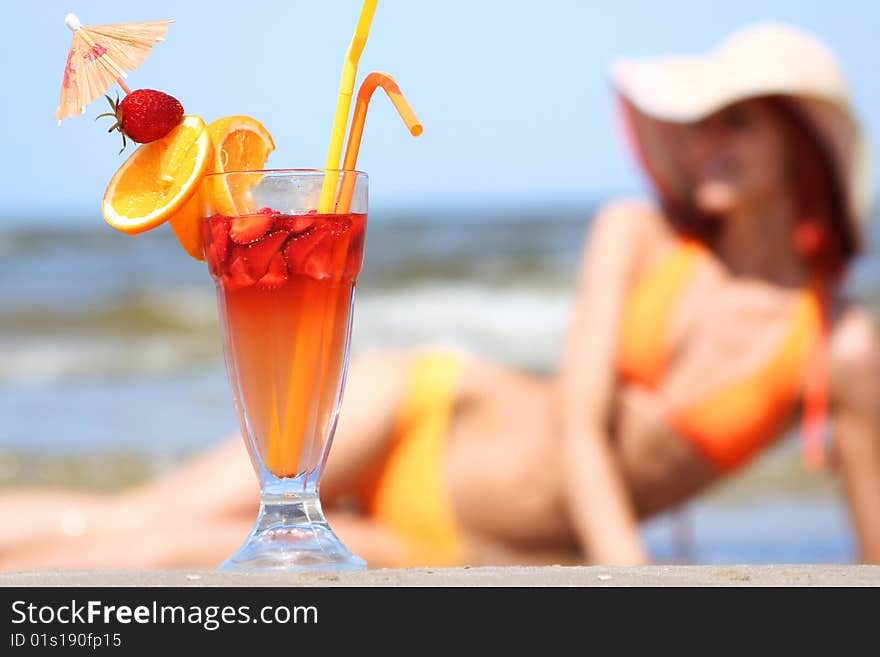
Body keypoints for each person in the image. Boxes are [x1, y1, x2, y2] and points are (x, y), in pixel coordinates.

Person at [2, 23, 878, 569]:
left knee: (164, 553)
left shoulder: (840, 345)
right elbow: (580, 425)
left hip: (477, 539)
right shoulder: (639, 233)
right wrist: (629, 578)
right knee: (138, 521)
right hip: (427, 412)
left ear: (801, 148)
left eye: (738, 122)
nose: (704, 145)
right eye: (699, 124)